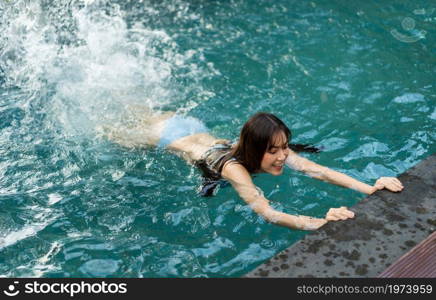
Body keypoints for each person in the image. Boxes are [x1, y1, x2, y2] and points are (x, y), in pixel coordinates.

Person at [102, 108, 404, 231]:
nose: (282, 156)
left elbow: (320, 171)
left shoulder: (279, 153)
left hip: (193, 127)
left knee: (134, 109)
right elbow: (266, 211)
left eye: (284, 147)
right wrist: (319, 222)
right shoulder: (235, 169)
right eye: (272, 151)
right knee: (109, 130)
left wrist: (371, 188)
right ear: (253, 150)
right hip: (169, 138)